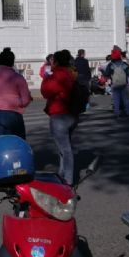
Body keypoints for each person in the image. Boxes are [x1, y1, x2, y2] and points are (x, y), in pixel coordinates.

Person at [40, 51, 78, 185]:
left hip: (59, 115)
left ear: (56, 61)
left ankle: (68, 180)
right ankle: (62, 175)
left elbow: (45, 91)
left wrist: (47, 76)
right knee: (64, 148)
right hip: (72, 114)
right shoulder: (70, 73)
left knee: (65, 150)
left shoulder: (57, 75)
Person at [103, 49, 129, 119]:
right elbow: (128, 73)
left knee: (116, 99)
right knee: (126, 99)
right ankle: (128, 112)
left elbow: (106, 74)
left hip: (115, 84)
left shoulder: (111, 65)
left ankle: (117, 113)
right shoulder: (124, 64)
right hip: (124, 83)